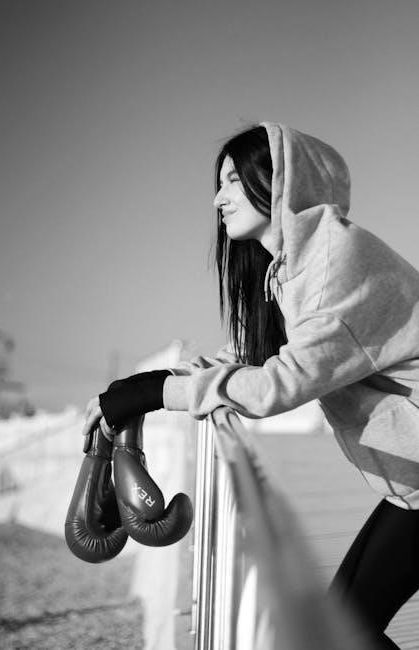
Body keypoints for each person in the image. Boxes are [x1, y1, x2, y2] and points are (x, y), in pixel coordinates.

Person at [83, 122, 419, 649]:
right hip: (412, 487)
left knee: (344, 632)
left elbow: (275, 387)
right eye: (219, 183)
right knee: (346, 626)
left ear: (282, 178)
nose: (218, 199)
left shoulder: (336, 263)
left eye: (234, 180)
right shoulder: (294, 268)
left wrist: (152, 394)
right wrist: (147, 386)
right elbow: (256, 358)